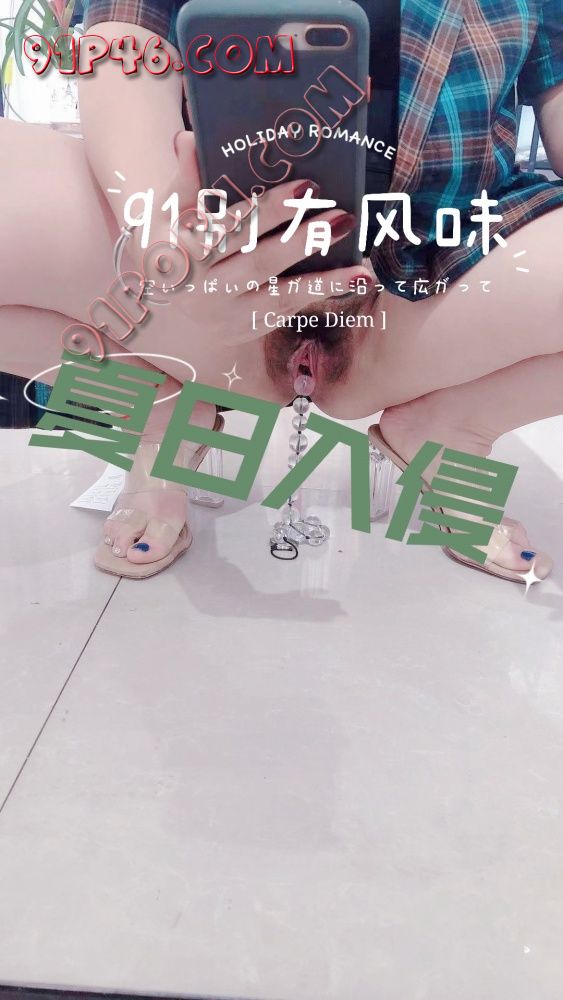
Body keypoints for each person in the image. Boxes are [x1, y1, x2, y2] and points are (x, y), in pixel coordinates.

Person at [0, 0, 561, 582]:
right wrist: (157, 233)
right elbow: (125, 34)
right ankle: (156, 418)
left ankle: (453, 428)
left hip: (438, 289)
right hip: (206, 272)